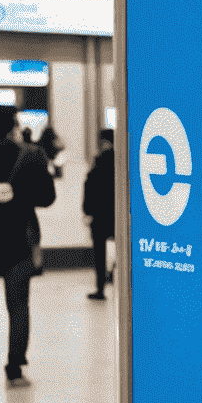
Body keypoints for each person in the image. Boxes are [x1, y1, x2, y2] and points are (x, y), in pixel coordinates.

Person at [0, 105, 56, 385]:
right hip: (19, 244)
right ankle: (14, 368)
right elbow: (47, 197)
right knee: (19, 308)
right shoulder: (32, 157)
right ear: (13, 126)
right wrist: (21, 195)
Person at [82, 128, 115, 301]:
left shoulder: (99, 159)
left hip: (100, 214)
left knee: (99, 253)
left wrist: (87, 211)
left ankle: (100, 288)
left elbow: (90, 186)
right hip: (117, 214)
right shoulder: (124, 159)